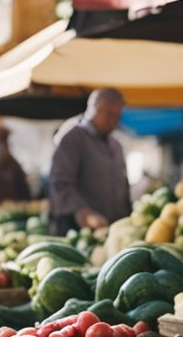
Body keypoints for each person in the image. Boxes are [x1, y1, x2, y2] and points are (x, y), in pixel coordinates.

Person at [48, 88, 131, 234]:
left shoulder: (115, 146)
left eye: (117, 116)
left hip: (111, 231)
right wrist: (82, 211)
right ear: (94, 109)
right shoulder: (73, 138)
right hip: (77, 232)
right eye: (109, 114)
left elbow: (124, 186)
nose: (114, 121)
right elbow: (60, 182)